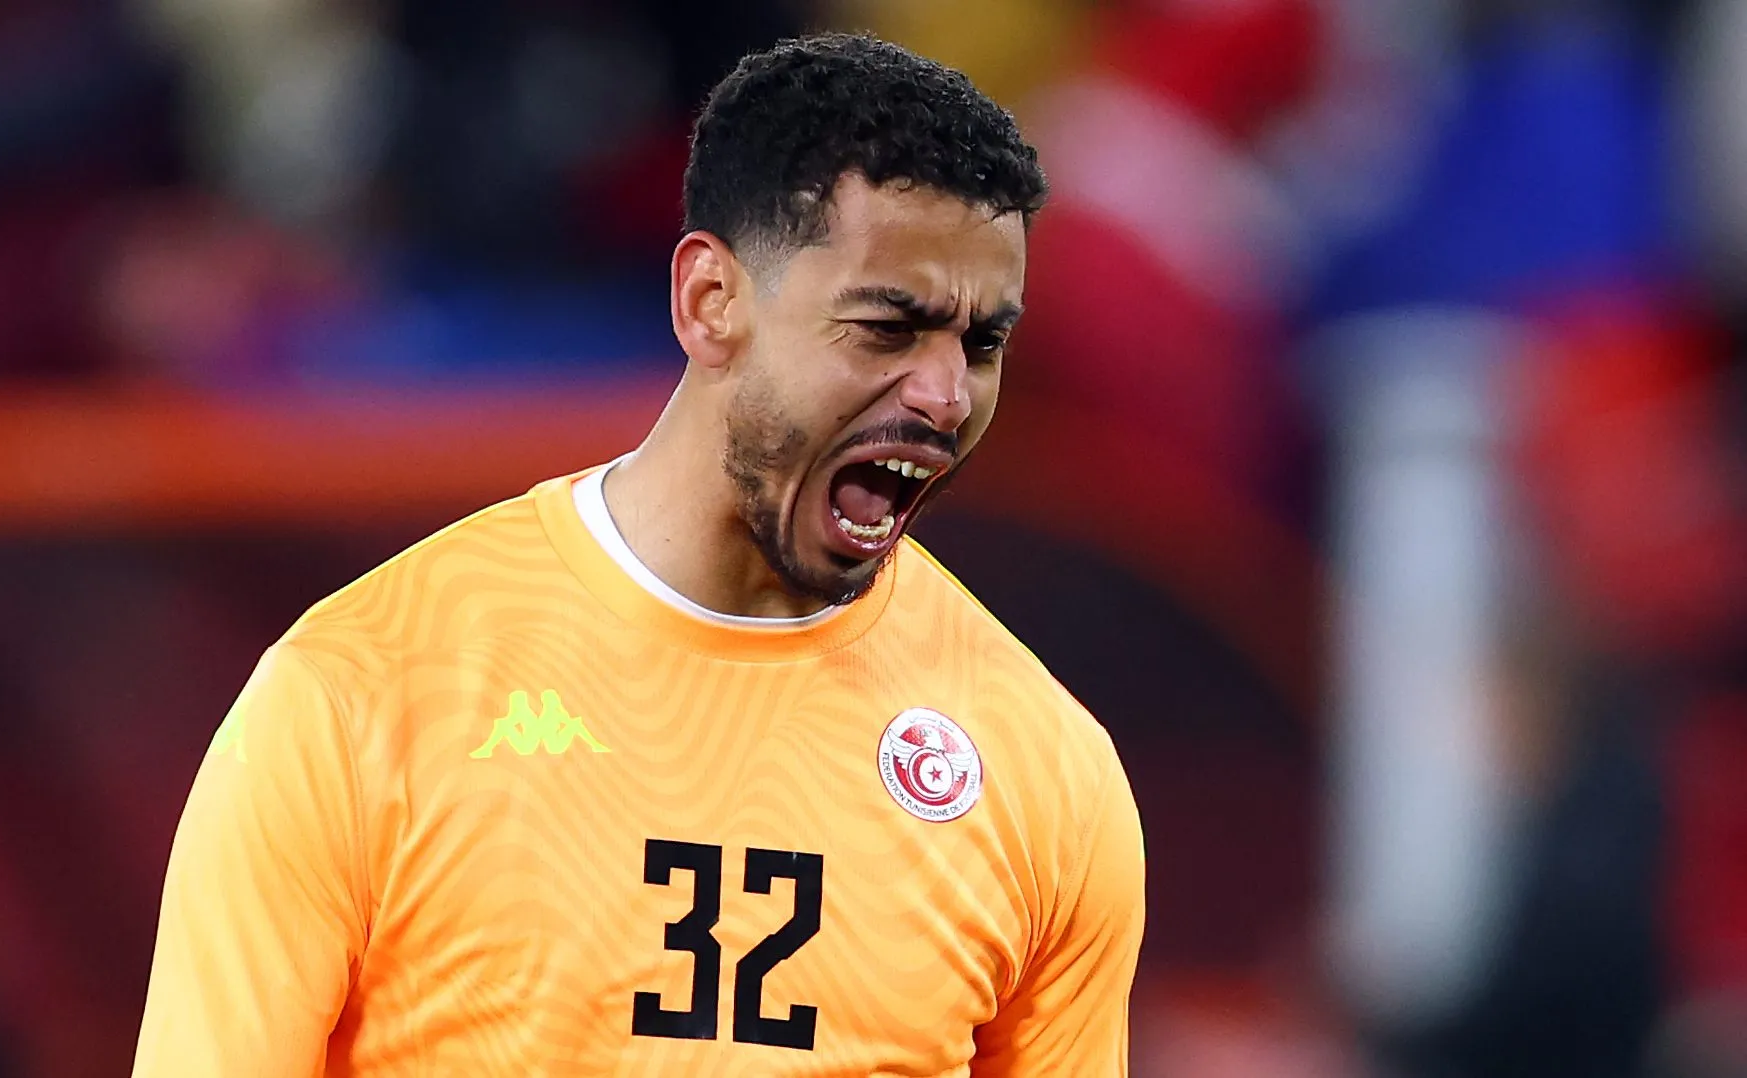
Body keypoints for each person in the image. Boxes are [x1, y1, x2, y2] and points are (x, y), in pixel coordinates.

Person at [133, 33, 1144, 1076]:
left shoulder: (1041, 766)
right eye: (889, 326)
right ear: (711, 303)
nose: (943, 396)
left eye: (982, 346)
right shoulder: (357, 695)